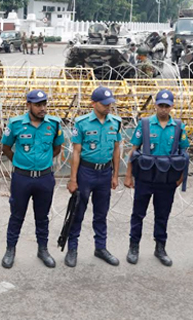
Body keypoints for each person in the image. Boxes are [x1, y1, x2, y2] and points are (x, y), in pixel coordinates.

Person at [124, 90, 189, 266]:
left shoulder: (178, 127)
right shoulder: (145, 124)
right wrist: (128, 175)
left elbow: (184, 152)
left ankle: (160, 247)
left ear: (171, 107)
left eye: (167, 106)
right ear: (155, 105)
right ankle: (134, 246)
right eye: (160, 105)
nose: (163, 109)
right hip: (145, 177)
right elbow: (134, 151)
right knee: (138, 214)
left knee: (162, 214)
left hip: (167, 180)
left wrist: (182, 175)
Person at [1, 90, 64, 269]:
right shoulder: (15, 124)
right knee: (16, 215)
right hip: (22, 178)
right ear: (28, 105)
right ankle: (10, 249)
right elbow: (6, 147)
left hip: (44, 178)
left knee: (42, 217)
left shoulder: (54, 124)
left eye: (44, 104)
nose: (42, 108)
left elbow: (57, 148)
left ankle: (42, 249)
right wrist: (20, 162)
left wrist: (43, 162)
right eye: (37, 105)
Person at [65, 86, 122, 267]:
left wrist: (115, 175)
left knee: (101, 213)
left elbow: (116, 149)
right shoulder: (82, 123)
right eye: (104, 104)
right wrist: (73, 179)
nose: (108, 107)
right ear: (94, 103)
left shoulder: (115, 122)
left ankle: (101, 248)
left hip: (105, 173)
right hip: (86, 172)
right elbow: (76, 152)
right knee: (78, 212)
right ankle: (72, 248)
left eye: (110, 103)